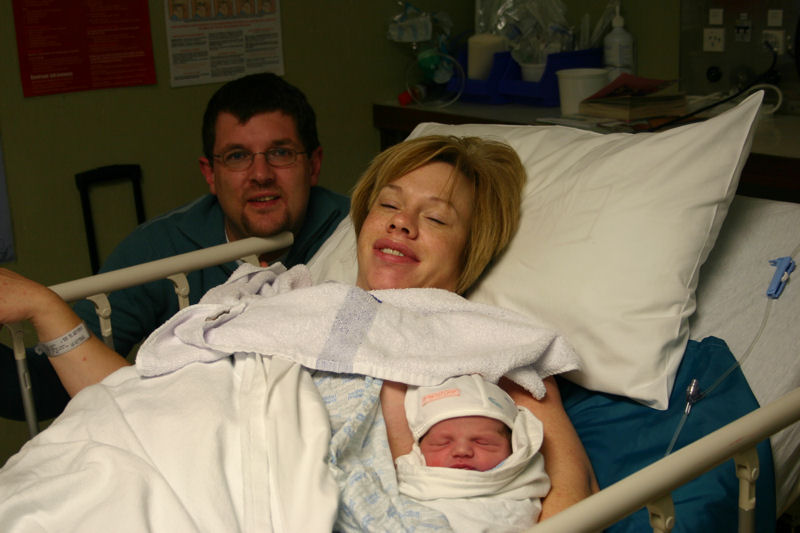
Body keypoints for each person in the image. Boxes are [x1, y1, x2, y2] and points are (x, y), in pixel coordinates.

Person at [0, 135, 597, 529]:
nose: (402, 223)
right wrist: (43, 307)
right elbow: (134, 402)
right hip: (129, 464)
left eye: (437, 217)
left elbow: (571, 491)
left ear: (472, 249)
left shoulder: (477, 338)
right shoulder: (277, 298)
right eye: (389, 205)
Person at [0, 72, 349, 420]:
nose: (261, 174)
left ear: (313, 164)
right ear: (210, 174)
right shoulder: (161, 250)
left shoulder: (356, 230)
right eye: (237, 156)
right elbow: (46, 389)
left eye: (281, 152)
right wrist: (39, 307)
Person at [396, 374, 550, 531]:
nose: (462, 451)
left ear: (513, 448)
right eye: (442, 443)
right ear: (419, 450)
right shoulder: (407, 485)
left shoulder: (521, 490)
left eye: (483, 442)